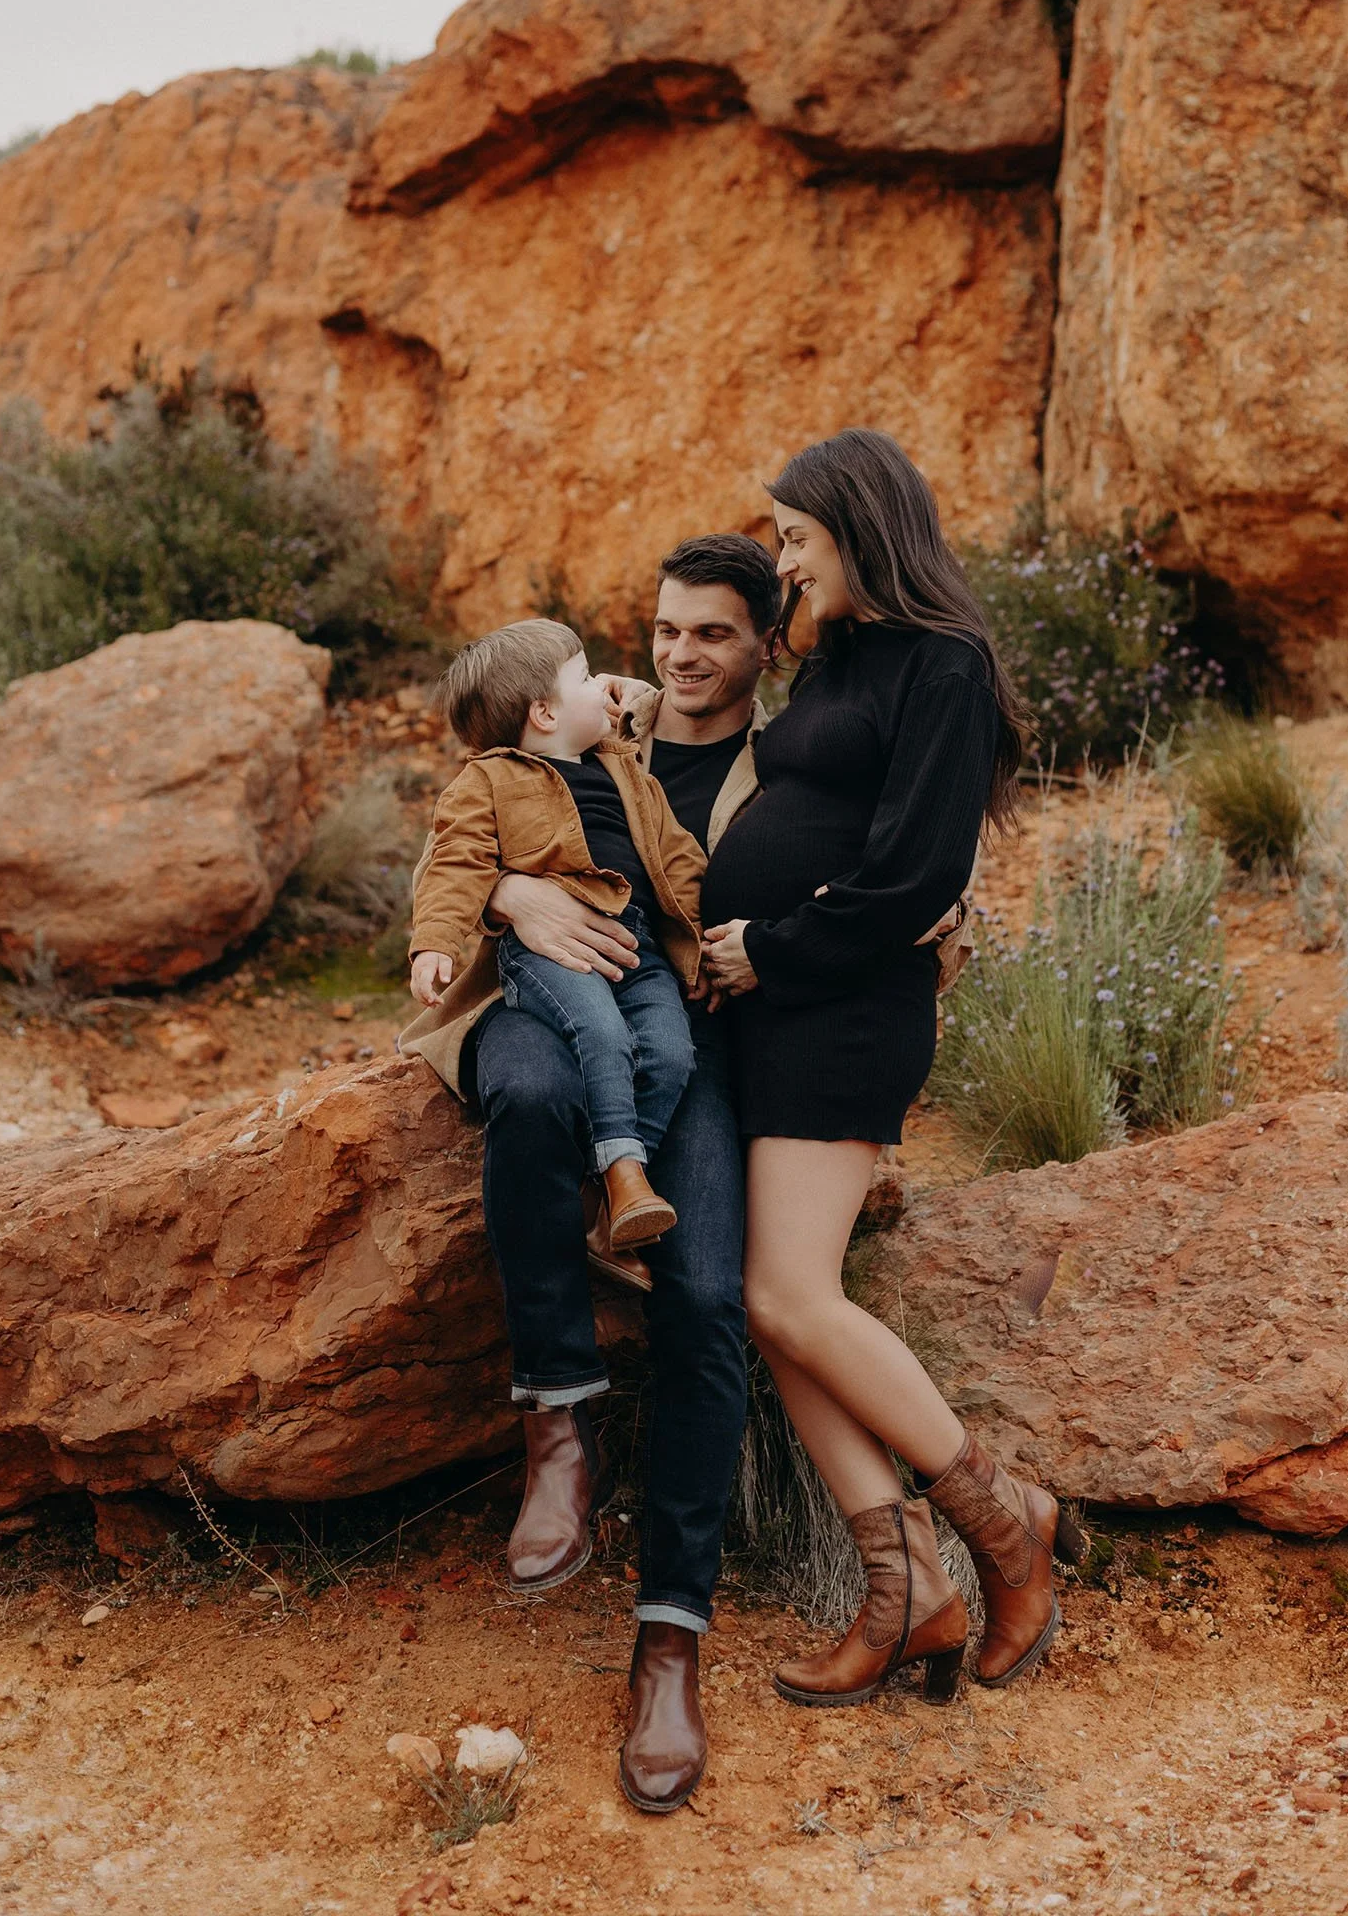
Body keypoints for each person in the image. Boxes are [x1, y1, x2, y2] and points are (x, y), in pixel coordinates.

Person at [700, 429, 1087, 1711]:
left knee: (793, 1297)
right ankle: (906, 1588)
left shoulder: (945, 664)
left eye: (797, 539)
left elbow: (920, 872)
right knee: (772, 1300)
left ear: (859, 527)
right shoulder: (842, 654)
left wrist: (773, 947)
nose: (785, 563)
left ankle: (1000, 1524)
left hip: (840, 1007)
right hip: (771, 1006)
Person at [400, 533, 779, 1815]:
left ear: (764, 645)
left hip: (683, 1018)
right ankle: (554, 1416)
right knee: (530, 1088)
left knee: (711, 1299)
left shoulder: (793, 754)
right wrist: (506, 892)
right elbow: (479, 797)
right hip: (539, 995)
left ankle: (670, 1632)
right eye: (665, 630)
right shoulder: (601, 711)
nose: (677, 656)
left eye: (713, 634)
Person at [408, 619, 703, 1255]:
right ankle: (624, 1177)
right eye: (587, 676)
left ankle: (612, 1197)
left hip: (641, 951)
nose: (604, 685)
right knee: (602, 1036)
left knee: (671, 1053)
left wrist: (702, 939)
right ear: (544, 712)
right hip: (549, 953)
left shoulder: (625, 773)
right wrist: (436, 939)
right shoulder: (488, 780)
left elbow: (676, 858)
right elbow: (456, 857)